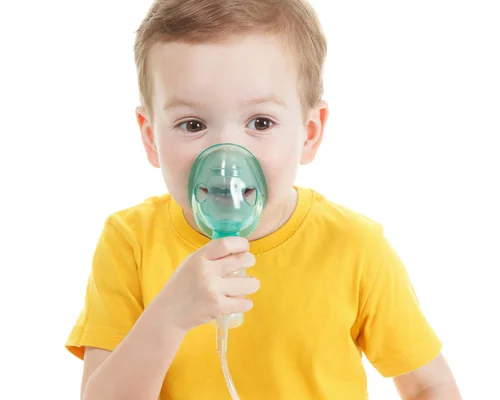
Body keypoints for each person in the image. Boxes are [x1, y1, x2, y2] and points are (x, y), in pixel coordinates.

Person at [65, 0, 461, 399]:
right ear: (151, 137)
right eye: (193, 124)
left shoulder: (355, 248)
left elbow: (430, 384)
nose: (225, 154)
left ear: (309, 133)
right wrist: (168, 317)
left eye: (260, 122)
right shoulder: (131, 243)